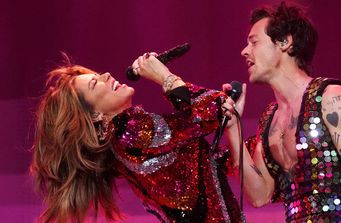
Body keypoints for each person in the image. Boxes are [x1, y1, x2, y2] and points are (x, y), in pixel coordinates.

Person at [30, 53, 246, 223]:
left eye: (98, 75)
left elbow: (205, 164)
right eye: (96, 83)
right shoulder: (129, 130)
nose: (106, 75)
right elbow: (211, 111)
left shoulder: (120, 144)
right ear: (95, 115)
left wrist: (239, 132)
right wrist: (163, 75)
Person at [224, 2, 341, 222]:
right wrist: (233, 128)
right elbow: (259, 195)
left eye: (254, 42)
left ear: (285, 42)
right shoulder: (270, 118)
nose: (245, 51)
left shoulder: (331, 97)